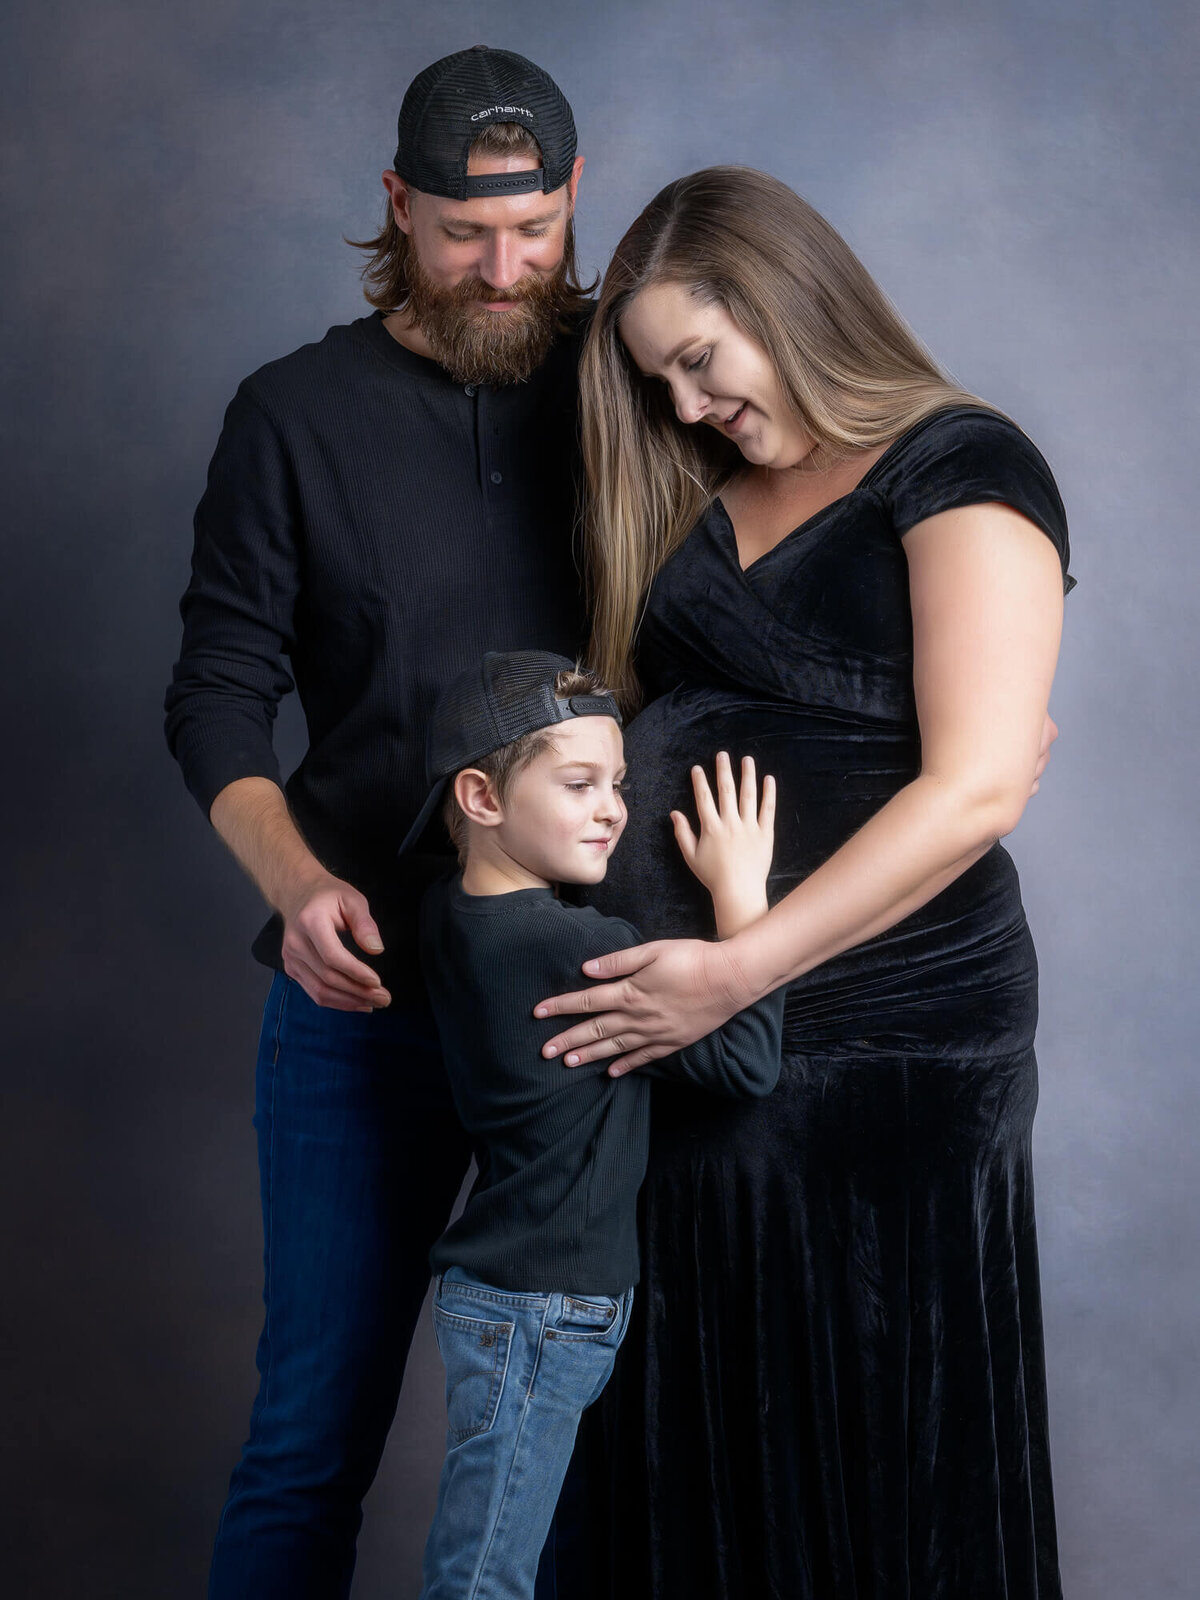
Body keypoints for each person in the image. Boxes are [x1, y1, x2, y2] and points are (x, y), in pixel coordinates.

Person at [534, 167, 1075, 1598]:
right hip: (699, 1035)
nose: (690, 407)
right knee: (703, 1434)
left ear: (785, 297)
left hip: (879, 1032)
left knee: (863, 1421)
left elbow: (971, 785)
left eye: (700, 362)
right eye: (662, 385)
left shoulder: (959, 463)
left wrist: (737, 968)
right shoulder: (709, 481)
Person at [164, 46, 595, 1600]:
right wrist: (296, 888)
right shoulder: (290, 414)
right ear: (397, 207)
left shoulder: (637, 377)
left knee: (603, 1439)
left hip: (597, 1005)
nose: (503, 270)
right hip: (367, 1004)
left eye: (534, 230)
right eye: (465, 231)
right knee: (311, 1440)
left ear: (573, 200)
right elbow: (215, 693)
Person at [404, 648, 783, 1599]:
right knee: (485, 1576)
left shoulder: (451, 916)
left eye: (615, 782)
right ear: (483, 799)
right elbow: (746, 1063)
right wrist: (742, 893)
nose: (613, 807)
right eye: (579, 784)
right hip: (543, 1307)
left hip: (511, 1297)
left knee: (507, 1556)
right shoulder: (576, 945)